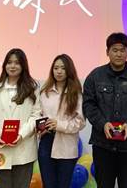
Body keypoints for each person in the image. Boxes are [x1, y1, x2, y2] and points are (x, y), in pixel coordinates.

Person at [82, 32, 127, 188]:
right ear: (107, 52)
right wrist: (102, 124)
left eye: (122, 50)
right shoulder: (95, 76)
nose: (119, 54)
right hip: (102, 144)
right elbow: (88, 104)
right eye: (114, 50)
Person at [0, 48, 40, 188]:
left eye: (17, 63)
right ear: (4, 65)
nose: (13, 66)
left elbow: (35, 116)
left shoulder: (32, 89)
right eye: (9, 62)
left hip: (24, 149)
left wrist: (21, 135)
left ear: (23, 66)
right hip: (0, 148)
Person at [38, 54, 85, 188]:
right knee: (48, 184)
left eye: (63, 68)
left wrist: (59, 125)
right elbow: (38, 115)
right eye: (56, 68)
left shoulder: (76, 93)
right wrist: (40, 128)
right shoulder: (44, 92)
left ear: (69, 70)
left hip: (66, 145)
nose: (59, 71)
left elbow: (80, 122)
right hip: (46, 142)